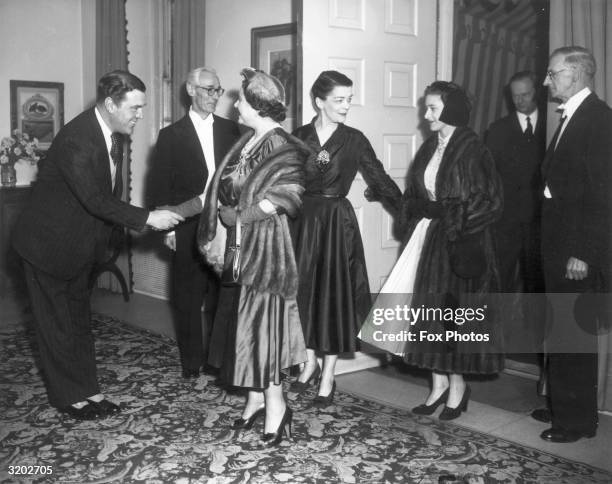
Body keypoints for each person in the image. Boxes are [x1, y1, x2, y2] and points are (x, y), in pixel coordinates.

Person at [12, 70, 183, 420]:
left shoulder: (112, 134)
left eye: (142, 108)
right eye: (134, 108)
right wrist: (148, 217)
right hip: (46, 248)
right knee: (57, 324)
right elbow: (94, 199)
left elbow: (102, 196)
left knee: (77, 321)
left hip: (77, 246)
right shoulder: (77, 139)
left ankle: (89, 391)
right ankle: (68, 397)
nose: (139, 115)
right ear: (110, 104)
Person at [167, 68, 310, 446]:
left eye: (242, 100)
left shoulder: (282, 144)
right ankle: (255, 399)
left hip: (264, 247)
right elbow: (216, 189)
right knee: (241, 325)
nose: (236, 104)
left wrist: (240, 217)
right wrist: (180, 215)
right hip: (237, 246)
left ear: (259, 106)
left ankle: (277, 407)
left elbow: (288, 194)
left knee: (264, 326)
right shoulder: (248, 139)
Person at [362, 81, 504, 420]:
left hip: (460, 245)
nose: (426, 116)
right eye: (427, 108)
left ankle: (458, 389)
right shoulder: (430, 146)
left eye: (433, 108)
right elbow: (417, 193)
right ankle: (438, 386)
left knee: (450, 318)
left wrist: (454, 220)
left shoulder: (473, 149)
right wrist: (408, 206)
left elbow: (492, 202)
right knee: (428, 316)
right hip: (429, 240)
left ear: (452, 110)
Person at [290, 70, 402, 405]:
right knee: (303, 294)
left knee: (332, 297)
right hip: (303, 222)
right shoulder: (298, 136)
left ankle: (328, 376)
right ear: (319, 101)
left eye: (349, 99)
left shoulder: (355, 139)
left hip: (337, 223)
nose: (346, 106)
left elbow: (380, 177)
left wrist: (410, 212)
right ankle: (308, 363)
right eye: (339, 100)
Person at [536, 46, 611, 443]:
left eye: (553, 74)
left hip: (575, 251)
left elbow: (603, 195)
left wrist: (583, 251)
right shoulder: (575, 115)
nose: (547, 81)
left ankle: (575, 422)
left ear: (576, 74)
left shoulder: (599, 119)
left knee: (572, 333)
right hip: (559, 245)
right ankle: (564, 407)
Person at [148, 67, 240, 379]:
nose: (215, 96)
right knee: (187, 296)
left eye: (218, 90)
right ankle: (192, 362)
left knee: (222, 293)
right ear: (191, 89)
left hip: (226, 225)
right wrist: (170, 228)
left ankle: (218, 360)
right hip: (187, 225)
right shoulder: (170, 136)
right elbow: (160, 187)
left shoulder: (233, 131)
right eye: (209, 89)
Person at [485, 71, 545, 294]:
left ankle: (536, 329)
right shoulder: (498, 130)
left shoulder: (553, 125)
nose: (520, 101)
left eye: (525, 94)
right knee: (501, 280)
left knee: (537, 282)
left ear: (536, 92)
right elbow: (488, 175)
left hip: (541, 220)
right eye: (515, 96)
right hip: (506, 220)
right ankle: (500, 328)